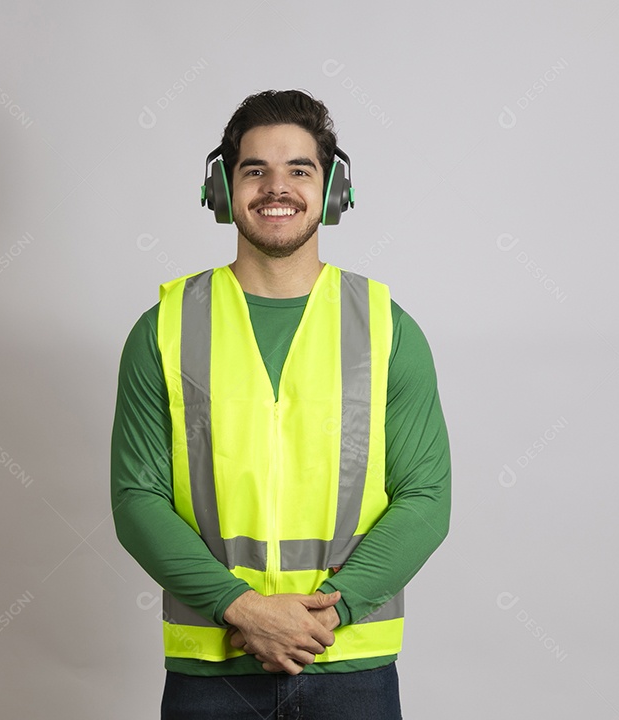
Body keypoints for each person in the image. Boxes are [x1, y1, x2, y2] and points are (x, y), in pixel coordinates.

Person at [110, 89, 451, 719]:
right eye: (254, 169)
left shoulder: (387, 329)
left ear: (333, 191)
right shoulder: (163, 328)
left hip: (349, 666)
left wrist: (329, 613)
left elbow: (426, 501)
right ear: (222, 189)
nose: (277, 187)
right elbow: (136, 500)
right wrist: (242, 608)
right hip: (212, 668)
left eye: (300, 169)